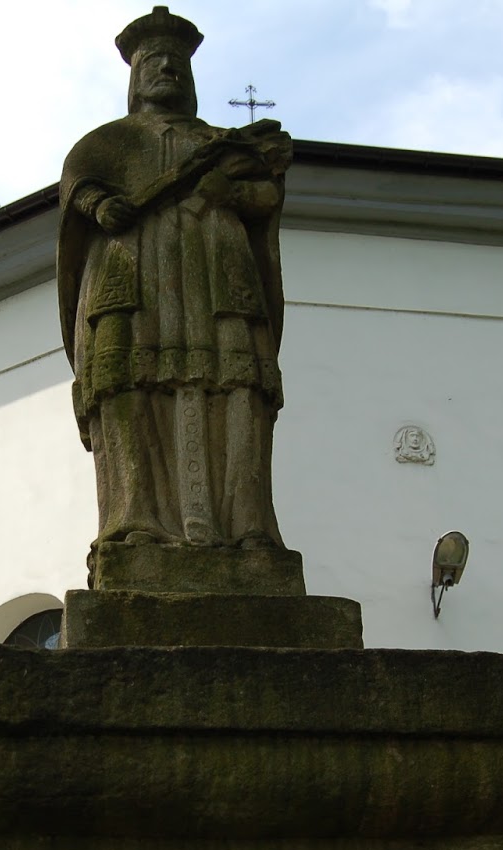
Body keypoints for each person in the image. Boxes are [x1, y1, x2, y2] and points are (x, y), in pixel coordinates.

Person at [57, 6, 293, 552]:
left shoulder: (221, 143)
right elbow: (77, 188)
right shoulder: (106, 144)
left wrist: (233, 193)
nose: (165, 69)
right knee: (126, 385)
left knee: (237, 386)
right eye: (153, 62)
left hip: (218, 277)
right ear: (134, 78)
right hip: (129, 277)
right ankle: (134, 518)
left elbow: (265, 195)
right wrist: (100, 205)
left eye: (175, 63)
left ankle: (246, 525)